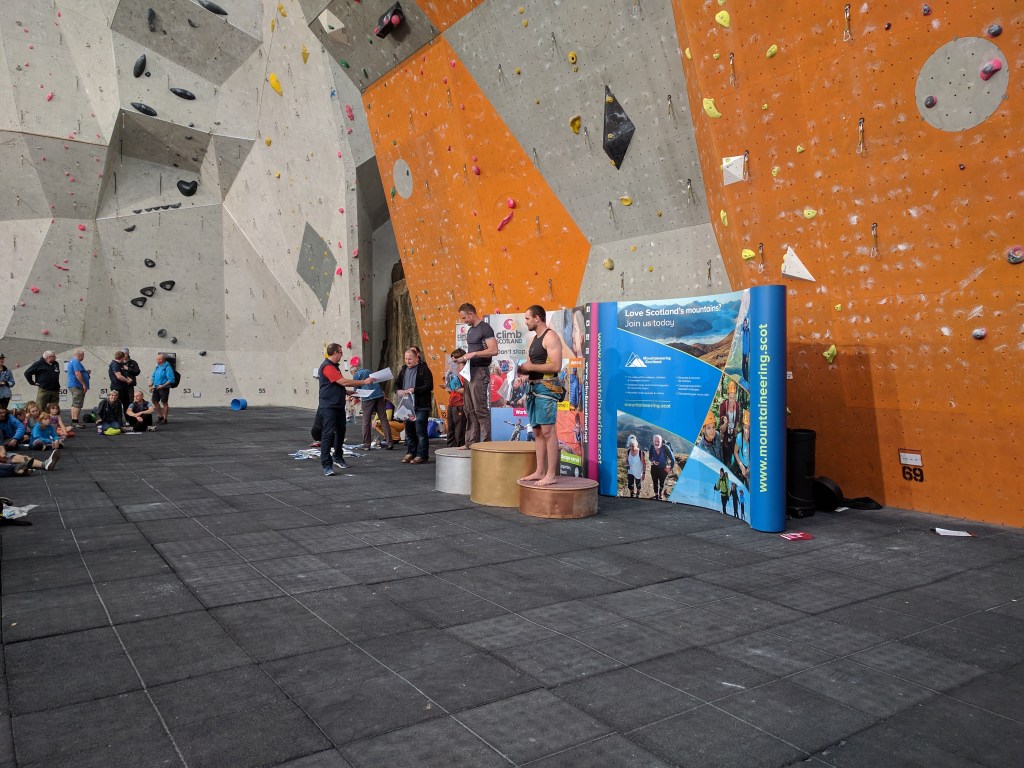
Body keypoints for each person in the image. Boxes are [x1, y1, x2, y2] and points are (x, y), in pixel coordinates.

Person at [517, 306, 565, 487]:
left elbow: (556, 366)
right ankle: (540, 471)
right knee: (537, 431)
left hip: (546, 389)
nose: (526, 322)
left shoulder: (550, 336)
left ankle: (551, 474)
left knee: (548, 431)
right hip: (533, 388)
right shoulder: (536, 339)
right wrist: (523, 370)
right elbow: (535, 364)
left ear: (537, 318)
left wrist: (530, 367)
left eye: (528, 318)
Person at [318, 343, 372, 476]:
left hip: (337, 405)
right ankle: (326, 464)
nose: (342, 355)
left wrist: (348, 393)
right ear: (335, 353)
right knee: (328, 434)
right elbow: (343, 381)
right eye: (341, 352)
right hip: (329, 406)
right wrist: (364, 382)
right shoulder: (327, 366)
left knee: (341, 432)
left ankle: (338, 456)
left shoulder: (334, 367)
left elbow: (337, 385)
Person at [457, 303, 497, 446]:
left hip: (480, 371)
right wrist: (461, 359)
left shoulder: (485, 328)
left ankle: (485, 443)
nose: (464, 321)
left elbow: (493, 350)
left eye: (464, 318)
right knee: (468, 408)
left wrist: (473, 354)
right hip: (469, 371)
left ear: (471, 314)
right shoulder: (471, 330)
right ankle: (470, 442)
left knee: (480, 408)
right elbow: (470, 353)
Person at [395, 347, 434, 465]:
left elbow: (429, 386)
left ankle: (422, 454)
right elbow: (396, 384)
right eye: (406, 359)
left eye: (410, 359)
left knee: (420, 430)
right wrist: (399, 391)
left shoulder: (424, 369)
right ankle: (411, 452)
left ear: (417, 357)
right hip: (407, 405)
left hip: (421, 405)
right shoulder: (403, 369)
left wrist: (414, 390)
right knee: (409, 430)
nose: (408, 361)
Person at [354, 366, 393, 450]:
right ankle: (389, 442)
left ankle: (367, 444)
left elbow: (356, 388)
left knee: (366, 421)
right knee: (383, 419)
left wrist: (355, 397)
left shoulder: (356, 374)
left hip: (368, 397)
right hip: (379, 394)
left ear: (353, 372)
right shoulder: (369, 370)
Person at [445, 349, 466, 448]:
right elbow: (452, 390)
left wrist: (455, 388)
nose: (453, 363)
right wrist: (449, 387)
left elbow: (466, 391)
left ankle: (458, 449)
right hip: (452, 403)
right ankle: (450, 450)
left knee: (459, 431)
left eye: (455, 360)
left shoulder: (465, 373)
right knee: (451, 430)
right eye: (452, 360)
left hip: (460, 405)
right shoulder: (453, 373)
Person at [719, 380, 742, 465]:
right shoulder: (723, 406)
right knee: (726, 456)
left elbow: (737, 418)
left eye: (734, 397)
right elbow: (721, 429)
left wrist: (736, 427)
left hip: (733, 435)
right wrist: (725, 423)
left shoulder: (737, 405)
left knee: (734, 453)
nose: (732, 400)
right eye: (731, 398)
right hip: (725, 435)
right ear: (728, 396)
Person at [66, 348, 91, 428]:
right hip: (77, 385)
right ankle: (75, 422)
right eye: (83, 355)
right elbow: (77, 373)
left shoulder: (72, 361)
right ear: (79, 355)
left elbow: (78, 373)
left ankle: (74, 420)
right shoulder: (76, 362)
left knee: (74, 404)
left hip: (73, 384)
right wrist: (83, 384)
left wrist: (86, 373)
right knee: (78, 404)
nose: (83, 357)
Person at [150, 354, 175, 424]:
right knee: (154, 401)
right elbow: (153, 376)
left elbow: (171, 379)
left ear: (161, 360)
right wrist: (151, 383)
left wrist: (163, 386)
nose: (156, 360)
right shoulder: (158, 367)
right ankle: (160, 416)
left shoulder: (167, 367)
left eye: (157, 359)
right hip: (156, 387)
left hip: (164, 388)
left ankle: (165, 419)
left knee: (164, 402)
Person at [649, 434, 675, 500]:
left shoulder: (666, 447)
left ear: (661, 441)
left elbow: (672, 459)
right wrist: (653, 461)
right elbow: (650, 457)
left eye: (658, 441)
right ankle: (656, 494)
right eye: (655, 441)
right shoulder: (651, 447)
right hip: (654, 468)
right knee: (655, 482)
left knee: (662, 482)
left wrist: (670, 468)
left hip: (663, 469)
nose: (656, 443)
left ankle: (660, 492)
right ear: (653, 441)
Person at [733, 411, 750, 482]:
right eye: (745, 427)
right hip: (741, 466)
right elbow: (735, 452)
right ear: (742, 426)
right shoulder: (740, 437)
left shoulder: (754, 438)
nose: (747, 431)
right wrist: (742, 466)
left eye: (749, 428)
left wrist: (749, 468)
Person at [741, 316, 750, 383]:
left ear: (747, 324)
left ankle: (746, 380)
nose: (744, 324)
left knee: (745, 367)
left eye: (745, 323)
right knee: (743, 367)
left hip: (746, 353)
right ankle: (745, 379)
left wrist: (747, 355)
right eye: (743, 323)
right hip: (743, 353)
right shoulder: (743, 331)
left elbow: (748, 344)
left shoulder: (747, 331)